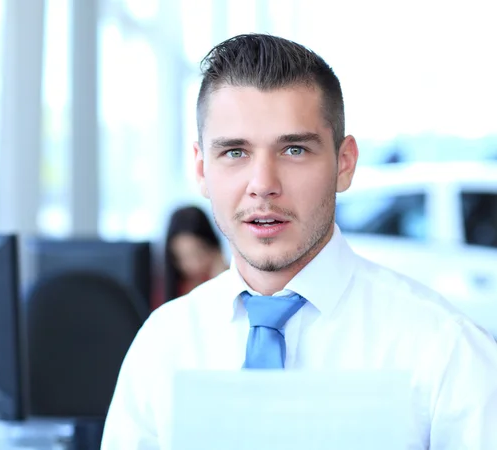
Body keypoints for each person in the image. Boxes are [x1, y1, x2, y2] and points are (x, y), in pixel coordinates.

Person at [101, 33, 497, 449]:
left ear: (344, 164)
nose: (263, 185)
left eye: (293, 150)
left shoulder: (445, 350)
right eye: (235, 152)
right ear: (202, 170)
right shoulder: (162, 345)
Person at [163, 205, 228, 302]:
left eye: (199, 254)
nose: (193, 265)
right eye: (182, 257)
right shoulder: (171, 288)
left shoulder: (229, 280)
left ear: (213, 247)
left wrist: (223, 278)